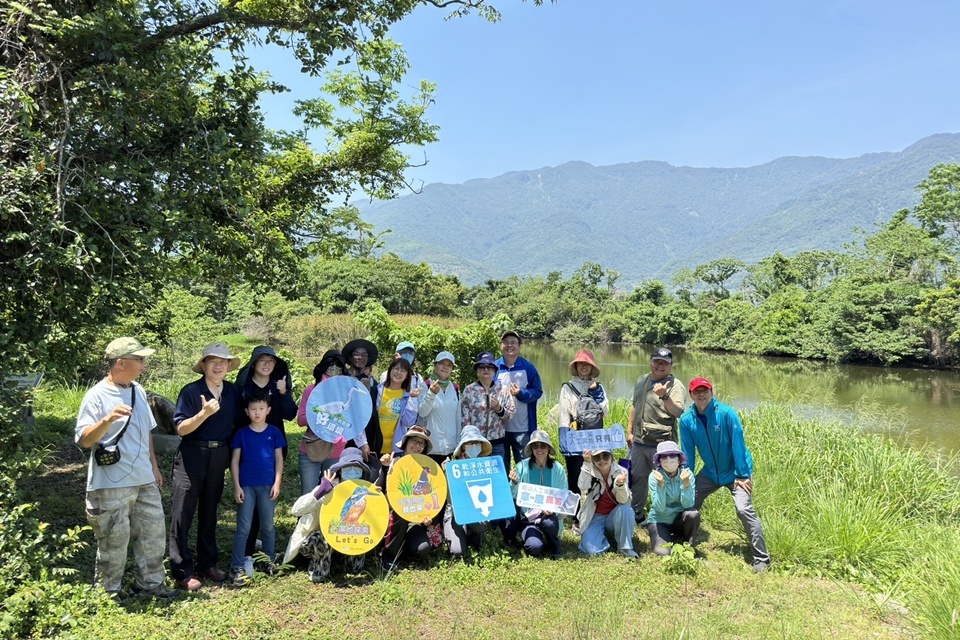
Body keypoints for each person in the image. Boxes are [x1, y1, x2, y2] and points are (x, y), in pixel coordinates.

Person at [75, 337, 176, 599]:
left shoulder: (138, 390)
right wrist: (108, 419)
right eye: (139, 359)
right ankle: (108, 592)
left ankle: (150, 585)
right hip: (110, 482)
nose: (144, 363)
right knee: (113, 540)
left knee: (154, 534)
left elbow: (147, 433)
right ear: (121, 363)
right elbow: (85, 440)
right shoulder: (96, 395)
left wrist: (154, 466)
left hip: (144, 479)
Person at [170, 342, 242, 590]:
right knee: (183, 512)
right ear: (204, 366)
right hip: (192, 454)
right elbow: (180, 429)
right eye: (213, 362)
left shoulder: (232, 392)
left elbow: (238, 424)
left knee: (210, 510)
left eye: (224, 362)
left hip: (219, 453)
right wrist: (203, 414)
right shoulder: (191, 391)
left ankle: (207, 563)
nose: (219, 366)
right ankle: (182, 570)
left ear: (229, 367)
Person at [679, 377, 771, 572]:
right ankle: (685, 544)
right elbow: (687, 453)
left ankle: (761, 558)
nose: (701, 395)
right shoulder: (687, 420)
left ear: (712, 392)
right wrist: (688, 479)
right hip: (711, 472)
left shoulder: (727, 414)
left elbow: (739, 445)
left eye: (705, 391)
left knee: (743, 509)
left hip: (736, 472)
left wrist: (743, 475)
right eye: (697, 392)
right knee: (688, 501)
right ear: (691, 395)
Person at [233, 345, 297, 571]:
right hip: (247, 448)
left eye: (271, 360)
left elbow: (291, 414)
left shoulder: (278, 384)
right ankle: (247, 552)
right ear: (254, 363)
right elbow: (235, 417)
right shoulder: (243, 387)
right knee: (248, 502)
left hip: (273, 447)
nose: (267, 364)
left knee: (265, 500)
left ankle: (260, 551)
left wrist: (284, 393)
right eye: (263, 360)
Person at [283, 447, 373, 582]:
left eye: (357, 467)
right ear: (340, 470)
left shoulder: (363, 491)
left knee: (355, 566)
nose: (353, 471)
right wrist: (320, 491)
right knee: (322, 537)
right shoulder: (329, 488)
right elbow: (296, 510)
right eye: (349, 467)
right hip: (320, 539)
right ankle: (319, 571)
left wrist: (377, 500)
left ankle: (346, 564)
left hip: (347, 536)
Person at [228, 389, 286, 586]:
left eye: (261, 408)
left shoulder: (274, 432)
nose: (257, 413)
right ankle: (237, 565)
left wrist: (277, 483)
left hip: (268, 485)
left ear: (268, 410)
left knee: (268, 525)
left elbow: (279, 459)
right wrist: (236, 486)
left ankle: (269, 561)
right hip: (246, 485)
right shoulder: (241, 434)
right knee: (243, 527)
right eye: (253, 409)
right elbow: (234, 461)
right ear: (247, 411)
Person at [627, 347, 688, 524]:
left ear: (670, 365)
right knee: (638, 477)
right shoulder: (642, 380)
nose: (660, 366)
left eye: (664, 363)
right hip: (639, 442)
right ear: (650, 362)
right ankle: (637, 514)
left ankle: (666, 517)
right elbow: (634, 405)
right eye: (657, 361)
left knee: (666, 482)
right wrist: (629, 431)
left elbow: (678, 412)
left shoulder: (675, 385)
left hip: (663, 445)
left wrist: (665, 396)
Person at [296, 350, 370, 493]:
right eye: (330, 364)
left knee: (331, 493)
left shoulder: (344, 396)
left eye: (338, 365)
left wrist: (363, 444)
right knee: (309, 495)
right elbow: (301, 420)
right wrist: (319, 414)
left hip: (336, 451)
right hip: (312, 449)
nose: (334, 368)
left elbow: (355, 421)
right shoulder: (311, 390)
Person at [378, 426, 443, 570]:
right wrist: (384, 468)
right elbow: (378, 488)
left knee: (423, 548)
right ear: (406, 443)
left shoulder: (428, 467)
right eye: (414, 441)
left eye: (421, 443)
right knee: (399, 515)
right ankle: (388, 555)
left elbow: (434, 495)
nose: (417, 446)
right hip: (393, 517)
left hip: (415, 518)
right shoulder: (393, 462)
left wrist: (429, 516)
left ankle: (401, 548)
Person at [558, 349, 609, 508]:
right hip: (574, 434)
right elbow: (563, 413)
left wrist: (595, 392)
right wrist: (564, 438)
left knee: (595, 474)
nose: (584, 366)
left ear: (592, 367)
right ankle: (575, 513)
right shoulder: (568, 387)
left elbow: (605, 411)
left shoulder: (598, 387)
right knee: (574, 475)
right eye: (581, 363)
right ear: (576, 366)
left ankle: (594, 510)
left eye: (587, 364)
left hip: (593, 436)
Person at [506, 430, 567, 558]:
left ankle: (553, 543)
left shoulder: (558, 469)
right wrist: (514, 483)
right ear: (531, 448)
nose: (539, 449)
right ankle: (533, 538)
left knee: (550, 523)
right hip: (528, 518)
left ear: (549, 448)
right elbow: (511, 495)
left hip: (550, 517)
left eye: (543, 446)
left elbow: (564, 497)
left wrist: (554, 510)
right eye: (535, 446)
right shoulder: (521, 467)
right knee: (534, 548)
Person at [443, 425, 494, 559]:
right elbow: (448, 496)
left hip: (477, 510)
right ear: (463, 446)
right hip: (455, 513)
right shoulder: (452, 467)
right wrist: (445, 474)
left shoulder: (485, 467)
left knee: (481, 526)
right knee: (457, 551)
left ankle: (475, 535)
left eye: (477, 443)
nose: (474, 445)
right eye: (470, 443)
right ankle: (459, 534)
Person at [577, 447, 638, 558]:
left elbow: (623, 500)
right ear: (592, 459)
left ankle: (625, 547)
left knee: (626, 509)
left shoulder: (621, 471)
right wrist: (586, 464)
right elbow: (582, 486)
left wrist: (619, 485)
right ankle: (607, 539)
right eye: (597, 457)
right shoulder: (588, 469)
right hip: (595, 515)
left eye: (605, 456)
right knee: (591, 550)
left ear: (611, 457)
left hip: (616, 515)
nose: (602, 460)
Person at [495, 330, 543, 470]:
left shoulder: (528, 367)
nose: (510, 345)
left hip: (522, 428)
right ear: (501, 345)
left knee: (524, 467)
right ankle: (506, 491)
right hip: (499, 429)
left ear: (519, 346)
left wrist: (521, 393)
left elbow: (537, 391)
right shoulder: (494, 367)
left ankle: (523, 491)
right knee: (501, 467)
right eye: (506, 342)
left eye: (513, 342)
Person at [646, 440, 700, 556]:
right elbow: (659, 508)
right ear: (659, 461)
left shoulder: (688, 474)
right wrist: (661, 485)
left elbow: (688, 505)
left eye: (672, 456)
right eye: (664, 457)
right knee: (663, 552)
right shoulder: (654, 477)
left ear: (679, 459)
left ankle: (690, 547)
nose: (668, 460)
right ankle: (663, 535)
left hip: (679, 519)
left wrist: (685, 484)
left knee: (693, 514)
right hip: (659, 520)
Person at [460, 352, 515, 464]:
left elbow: (511, 414)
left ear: (494, 371)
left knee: (496, 477)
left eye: (489, 367)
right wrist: (466, 442)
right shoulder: (469, 390)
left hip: (497, 443)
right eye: (482, 367)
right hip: (474, 443)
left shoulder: (503, 389)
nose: (486, 369)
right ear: (477, 371)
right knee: (476, 477)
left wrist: (499, 409)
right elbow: (464, 418)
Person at [416, 351, 462, 465]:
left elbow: (457, 418)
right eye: (442, 363)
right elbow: (422, 412)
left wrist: (458, 443)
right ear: (435, 365)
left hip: (450, 449)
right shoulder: (425, 385)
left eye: (449, 365)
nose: (445, 367)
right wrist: (431, 394)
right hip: (429, 448)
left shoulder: (455, 388)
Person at [343, 339, 383, 459]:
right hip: (345, 428)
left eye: (364, 355)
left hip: (368, 429)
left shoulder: (372, 381)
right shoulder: (342, 378)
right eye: (356, 354)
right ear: (350, 357)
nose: (360, 357)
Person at [376, 358, 422, 455]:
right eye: (396, 368)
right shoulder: (377, 390)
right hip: (374, 445)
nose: (398, 372)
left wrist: (412, 399)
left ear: (407, 376)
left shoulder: (407, 395)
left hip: (395, 449)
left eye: (403, 370)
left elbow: (408, 422)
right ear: (390, 370)